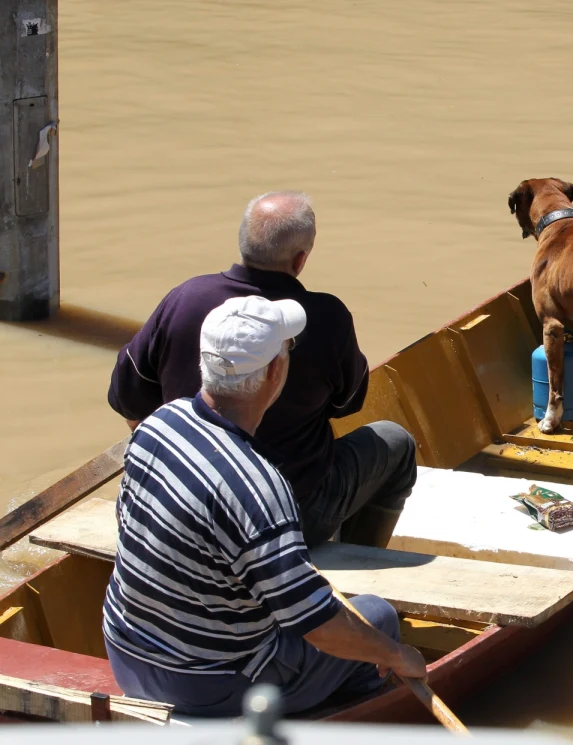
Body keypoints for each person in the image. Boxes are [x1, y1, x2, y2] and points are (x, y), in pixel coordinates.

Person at [102, 296, 426, 717]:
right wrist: (399, 657)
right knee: (377, 617)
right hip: (209, 686)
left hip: (125, 652)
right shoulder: (260, 487)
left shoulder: (159, 423)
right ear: (275, 372)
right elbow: (319, 626)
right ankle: (339, 710)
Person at [107, 191, 416, 548]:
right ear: (301, 259)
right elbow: (347, 403)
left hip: (183, 499)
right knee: (395, 442)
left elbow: (129, 397)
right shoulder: (326, 318)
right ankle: (362, 561)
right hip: (289, 511)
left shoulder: (185, 298)